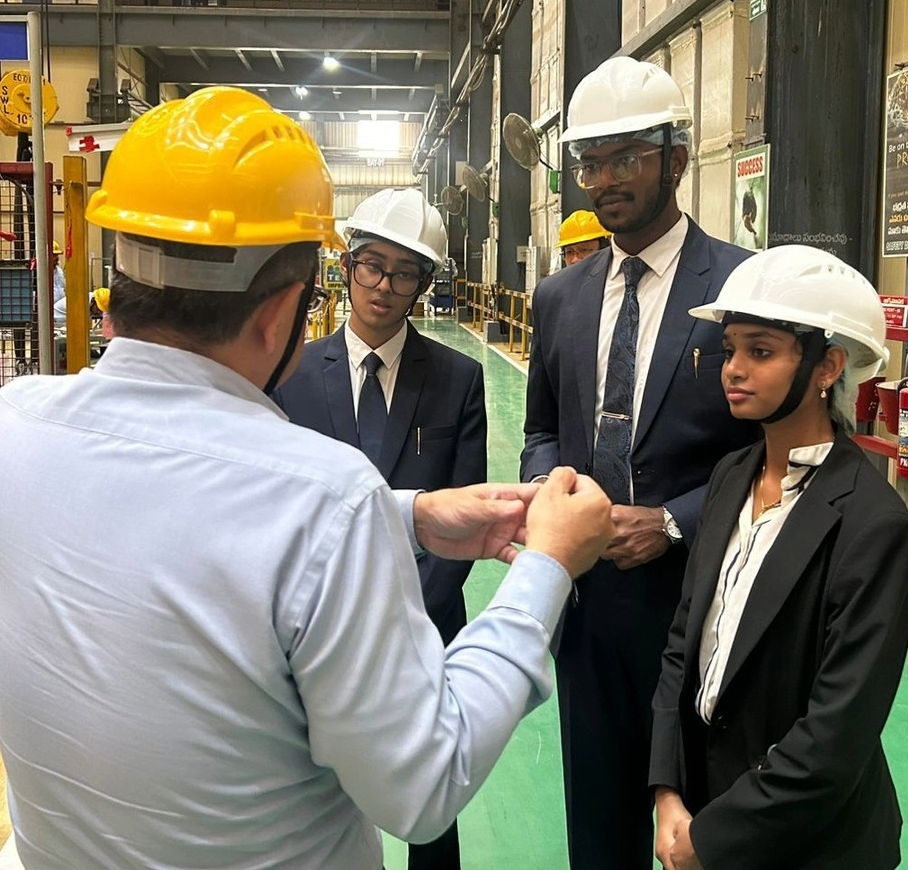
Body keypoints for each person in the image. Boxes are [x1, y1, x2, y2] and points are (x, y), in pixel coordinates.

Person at [0, 86, 615, 870]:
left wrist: (407, 514)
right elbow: (423, 783)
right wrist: (546, 567)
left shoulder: (15, 427)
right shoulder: (326, 498)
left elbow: (207, 508)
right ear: (281, 312)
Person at [520, 57, 759, 870]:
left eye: (627, 157)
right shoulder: (560, 298)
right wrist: (550, 491)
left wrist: (671, 521)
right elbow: (543, 428)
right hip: (588, 606)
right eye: (592, 162)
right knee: (598, 825)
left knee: (701, 828)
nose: (606, 179)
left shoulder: (737, 286)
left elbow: (767, 449)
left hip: (699, 603)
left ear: (676, 160)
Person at [650, 245, 908, 870]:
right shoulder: (730, 476)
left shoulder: (872, 524)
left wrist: (713, 840)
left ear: (828, 366)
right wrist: (667, 791)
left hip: (809, 842)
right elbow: (682, 644)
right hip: (701, 809)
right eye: (730, 350)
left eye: (761, 351)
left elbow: (837, 733)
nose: (734, 369)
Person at [273, 186, 483, 870]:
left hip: (425, 628)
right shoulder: (293, 376)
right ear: (347, 266)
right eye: (372, 265)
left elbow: (464, 513)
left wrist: (402, 615)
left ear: (424, 283)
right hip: (314, 628)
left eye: (405, 273)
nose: (385, 287)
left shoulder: (457, 379)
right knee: (318, 799)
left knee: (430, 802)